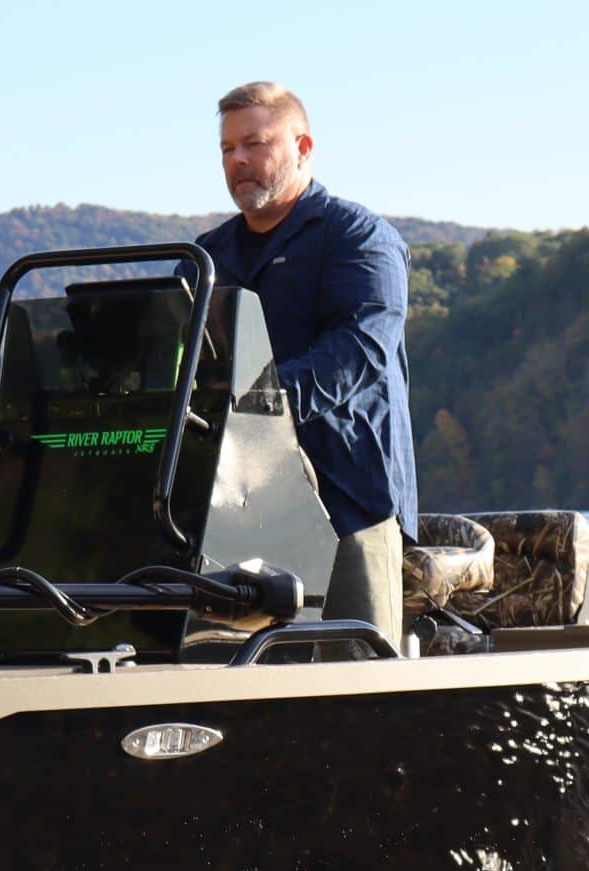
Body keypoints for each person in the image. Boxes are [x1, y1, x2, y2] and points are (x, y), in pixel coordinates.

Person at [197, 81, 417, 646]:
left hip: (347, 500)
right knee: (229, 682)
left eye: (255, 143)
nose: (239, 159)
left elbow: (359, 349)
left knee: (357, 680)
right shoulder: (206, 259)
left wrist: (257, 409)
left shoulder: (359, 238)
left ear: (303, 147)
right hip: (234, 511)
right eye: (227, 149)